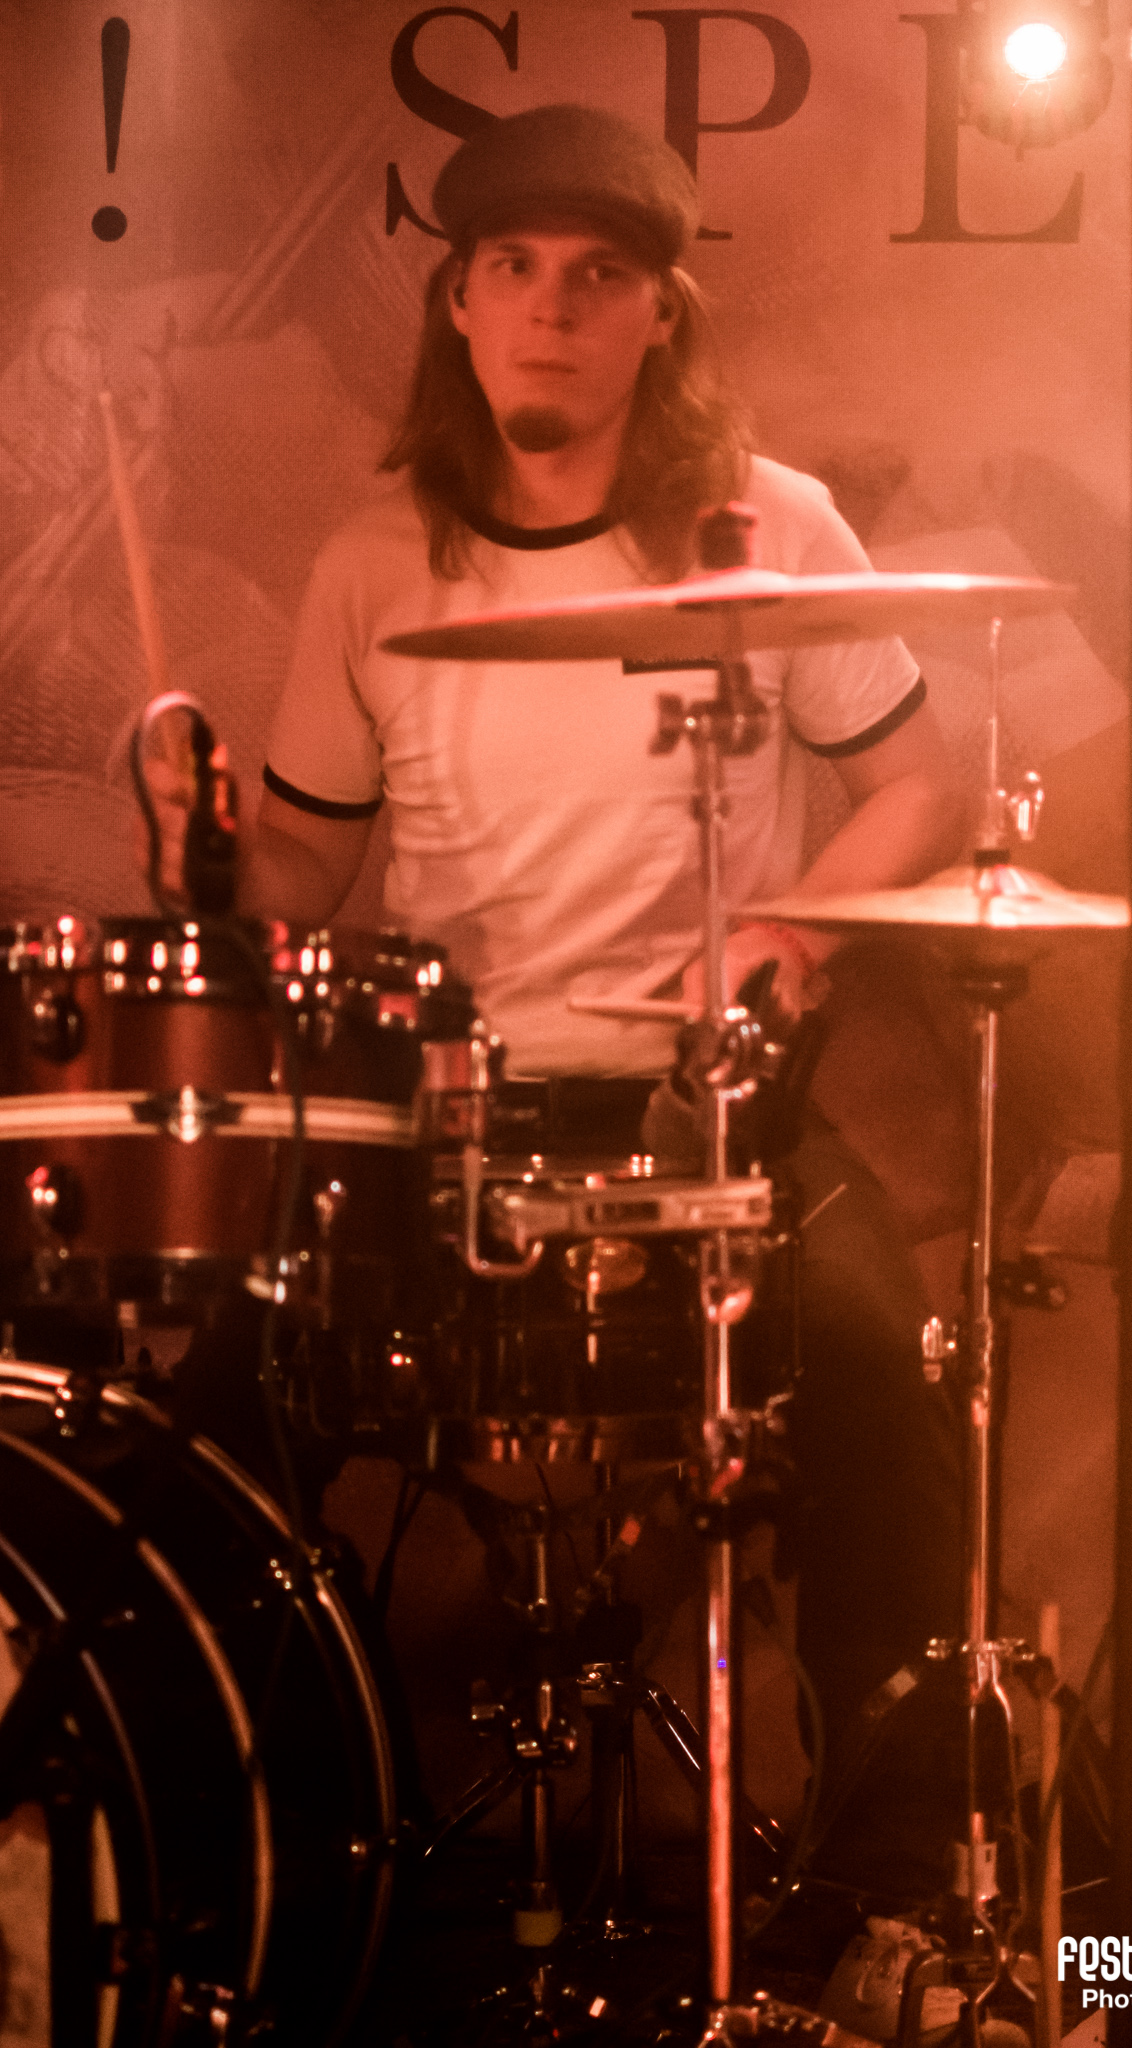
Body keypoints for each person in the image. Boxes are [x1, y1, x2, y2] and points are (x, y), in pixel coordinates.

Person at [146, 102, 965, 1806]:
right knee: (204, 1436)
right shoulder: (374, 564)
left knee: (885, 1384)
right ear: (457, 302)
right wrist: (208, 853)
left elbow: (920, 785)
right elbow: (310, 862)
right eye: (513, 267)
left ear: (661, 313)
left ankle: (893, 1885)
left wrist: (787, 927)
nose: (552, 306)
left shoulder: (768, 526)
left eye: (599, 275)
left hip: (711, 1116)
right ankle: (253, 1859)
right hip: (449, 1128)